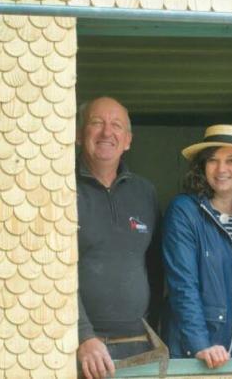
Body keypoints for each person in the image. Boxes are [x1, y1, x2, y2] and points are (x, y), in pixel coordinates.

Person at [162, 125, 232, 369]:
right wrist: (200, 345)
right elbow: (183, 285)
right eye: (212, 160)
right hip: (190, 356)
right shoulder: (185, 211)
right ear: (202, 167)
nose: (221, 169)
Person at [76, 97, 162, 379]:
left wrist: (156, 330)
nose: (106, 133)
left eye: (116, 126)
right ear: (79, 134)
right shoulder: (61, 188)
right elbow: (47, 272)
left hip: (139, 347)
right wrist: (83, 335)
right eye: (96, 123)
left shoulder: (145, 192)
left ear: (128, 140)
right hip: (81, 350)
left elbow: (156, 268)